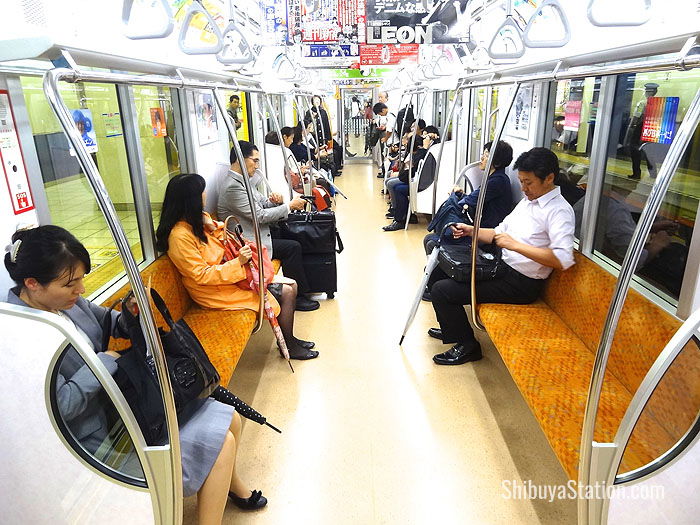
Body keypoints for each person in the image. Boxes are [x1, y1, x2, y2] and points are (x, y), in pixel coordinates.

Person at [4, 225, 268, 523]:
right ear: (32, 283)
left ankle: (232, 488)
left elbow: (108, 322)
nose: (80, 291)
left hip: (123, 406)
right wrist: (104, 362)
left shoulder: (67, 304)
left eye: (80, 280)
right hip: (97, 436)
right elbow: (60, 405)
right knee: (221, 442)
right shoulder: (20, 334)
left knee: (229, 417)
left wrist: (133, 310)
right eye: (70, 284)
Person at [427, 147, 575, 365]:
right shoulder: (529, 202)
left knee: (443, 291)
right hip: (500, 266)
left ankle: (468, 346)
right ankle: (452, 326)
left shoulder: (559, 211)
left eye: (528, 182)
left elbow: (563, 259)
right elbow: (499, 231)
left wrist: (515, 246)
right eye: (521, 181)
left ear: (549, 178)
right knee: (441, 269)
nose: (523, 188)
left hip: (520, 284)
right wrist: (471, 230)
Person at [156, 174, 319, 360]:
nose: (205, 194)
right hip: (213, 290)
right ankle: (288, 346)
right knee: (288, 292)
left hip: (230, 277)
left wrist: (212, 227)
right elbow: (201, 275)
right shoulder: (179, 236)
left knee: (293, 285)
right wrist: (238, 262)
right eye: (202, 192)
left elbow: (221, 240)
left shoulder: (197, 222)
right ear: (190, 200)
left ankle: (289, 340)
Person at [216, 141, 320, 312]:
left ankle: (306, 287)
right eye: (254, 161)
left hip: (259, 233)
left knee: (293, 236)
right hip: (248, 244)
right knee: (292, 247)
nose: (257, 166)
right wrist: (288, 207)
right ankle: (299, 297)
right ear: (240, 159)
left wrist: (275, 201)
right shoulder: (233, 187)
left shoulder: (245, 182)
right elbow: (259, 216)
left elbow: (263, 204)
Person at [423, 140, 514, 255]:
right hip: (480, 228)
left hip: (485, 235)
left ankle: (434, 272)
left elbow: (469, 201)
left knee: (431, 241)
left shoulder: (497, 181)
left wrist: (462, 197)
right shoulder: (497, 178)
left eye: (486, 155)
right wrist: (462, 194)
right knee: (432, 239)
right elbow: (475, 199)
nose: (481, 158)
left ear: (496, 162)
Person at [383, 123, 435, 232]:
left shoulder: (424, 153)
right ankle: (403, 215)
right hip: (417, 179)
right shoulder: (421, 152)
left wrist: (424, 148)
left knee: (398, 188)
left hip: (423, 183)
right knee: (395, 185)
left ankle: (400, 220)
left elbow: (412, 170)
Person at [624, 82, 659, 180]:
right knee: (649, 151)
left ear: (646, 92)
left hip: (640, 128)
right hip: (652, 129)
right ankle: (653, 173)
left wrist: (630, 128)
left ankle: (636, 173)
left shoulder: (642, 103)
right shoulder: (659, 104)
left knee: (634, 150)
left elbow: (636, 117)